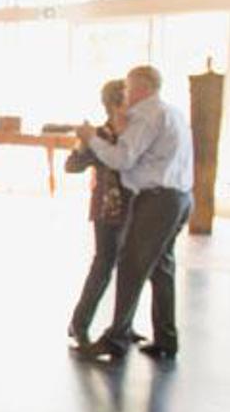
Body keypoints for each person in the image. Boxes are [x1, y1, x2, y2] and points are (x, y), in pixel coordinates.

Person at [77, 65, 194, 361]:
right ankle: (166, 339)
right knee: (161, 268)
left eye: (128, 89)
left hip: (157, 200)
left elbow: (122, 159)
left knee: (131, 265)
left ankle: (116, 338)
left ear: (141, 88)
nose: (126, 96)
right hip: (180, 197)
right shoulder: (172, 113)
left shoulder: (146, 115)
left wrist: (91, 137)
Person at [65, 79, 135, 348]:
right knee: (104, 264)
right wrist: (83, 144)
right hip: (108, 208)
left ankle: (123, 326)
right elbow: (71, 166)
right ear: (115, 103)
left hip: (135, 205)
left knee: (130, 267)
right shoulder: (100, 134)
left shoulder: (136, 132)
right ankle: (79, 323)